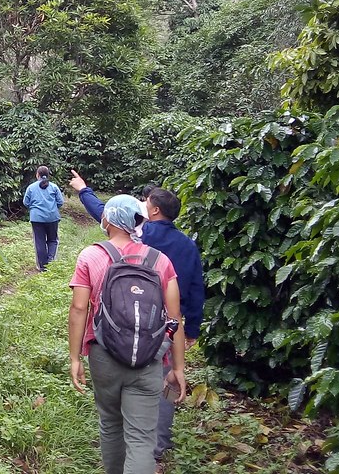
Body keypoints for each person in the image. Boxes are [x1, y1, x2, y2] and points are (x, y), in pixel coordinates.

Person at [70, 171, 206, 463]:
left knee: (110, 425)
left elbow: (79, 309)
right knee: (142, 437)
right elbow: (175, 317)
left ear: (107, 220)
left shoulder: (91, 256)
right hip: (151, 355)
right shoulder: (161, 260)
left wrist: (75, 357)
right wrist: (179, 366)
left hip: (104, 353)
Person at [22, 165, 65, 270]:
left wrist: (34, 209)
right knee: (53, 240)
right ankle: (51, 262)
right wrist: (53, 208)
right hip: (52, 218)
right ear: (48, 175)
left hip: (36, 219)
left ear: (37, 175)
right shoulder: (54, 187)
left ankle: (42, 266)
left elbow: (25, 202)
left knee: (39, 242)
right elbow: (60, 202)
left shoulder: (31, 187)